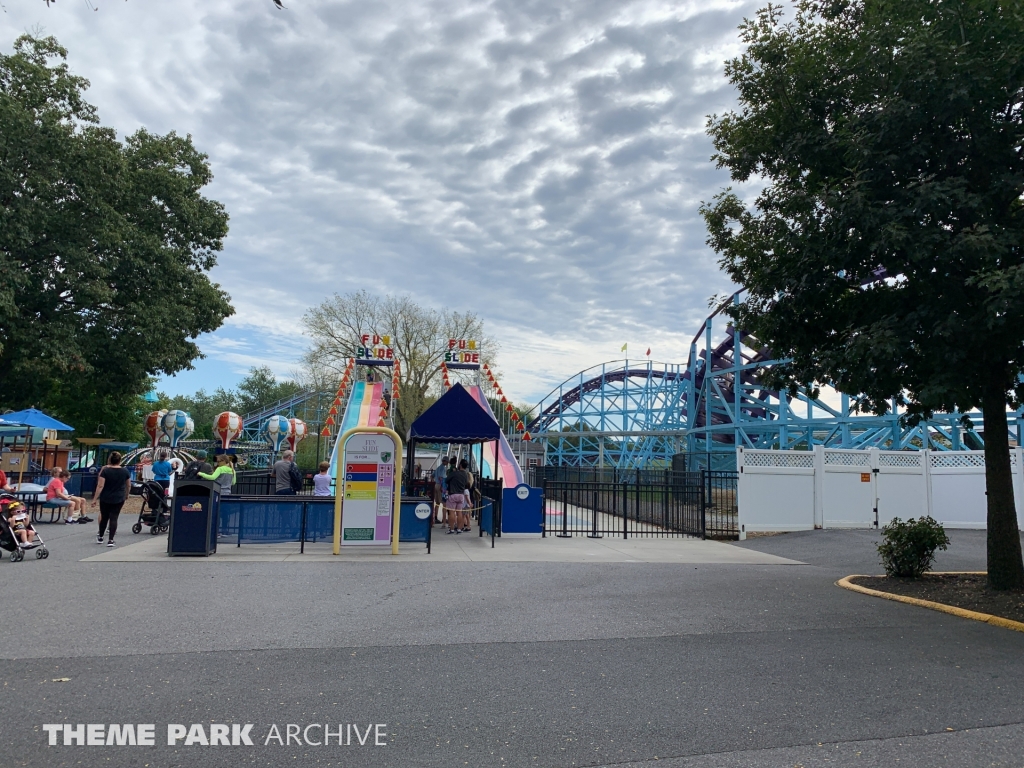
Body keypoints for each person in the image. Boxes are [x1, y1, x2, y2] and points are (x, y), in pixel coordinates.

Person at [94, 451, 131, 548]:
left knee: (104, 517)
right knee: (114, 517)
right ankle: (111, 540)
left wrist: (95, 498)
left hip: (106, 496)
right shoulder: (125, 471)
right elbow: (128, 485)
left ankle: (100, 536)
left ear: (110, 460)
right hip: (119, 496)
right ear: (120, 460)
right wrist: (127, 494)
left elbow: (100, 485)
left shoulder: (105, 471)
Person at [445, 460, 470, 534]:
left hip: (453, 494)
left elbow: (446, 480)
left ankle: (452, 529)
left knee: (451, 512)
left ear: (460, 465)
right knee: (459, 513)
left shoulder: (454, 473)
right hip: (461, 495)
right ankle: (459, 529)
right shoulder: (466, 475)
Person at [432, 457, 449, 524]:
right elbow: (441, 477)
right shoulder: (443, 468)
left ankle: (435, 517)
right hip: (440, 485)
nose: (447, 463)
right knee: (443, 502)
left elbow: (432, 476)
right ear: (445, 461)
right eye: (447, 462)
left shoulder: (438, 468)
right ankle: (444, 519)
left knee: (437, 502)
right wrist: (442, 487)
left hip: (436, 484)